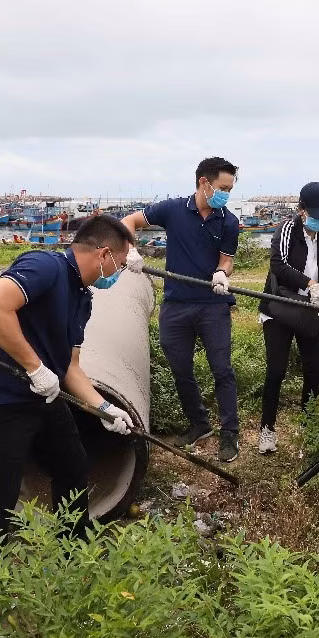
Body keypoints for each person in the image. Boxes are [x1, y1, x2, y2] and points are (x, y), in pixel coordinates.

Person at [0, 215, 136, 538]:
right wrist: (35, 367)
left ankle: (72, 547)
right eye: (120, 264)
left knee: (74, 468)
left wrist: (104, 408)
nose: (117, 273)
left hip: (41, 399)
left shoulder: (82, 299)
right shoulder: (44, 266)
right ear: (104, 254)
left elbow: (70, 367)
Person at [122, 157, 242, 463]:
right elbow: (129, 222)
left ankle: (230, 434)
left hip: (213, 304)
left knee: (222, 369)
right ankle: (199, 423)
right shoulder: (172, 209)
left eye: (230, 189)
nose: (226, 194)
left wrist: (222, 273)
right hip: (176, 304)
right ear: (204, 183)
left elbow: (226, 259)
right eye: (223, 187)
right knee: (180, 368)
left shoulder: (227, 221)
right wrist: (131, 250)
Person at [257, 182, 319, 454]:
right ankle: (267, 429)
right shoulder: (288, 229)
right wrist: (310, 283)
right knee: (276, 371)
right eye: (315, 214)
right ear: (302, 211)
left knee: (313, 371)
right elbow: (278, 264)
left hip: (310, 314)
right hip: (281, 308)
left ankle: (308, 426)